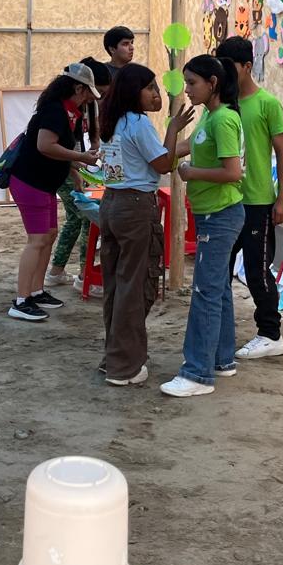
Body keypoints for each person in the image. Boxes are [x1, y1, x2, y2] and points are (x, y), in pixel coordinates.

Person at [96, 63, 193, 387]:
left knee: (116, 284)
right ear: (132, 91)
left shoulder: (112, 120)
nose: (156, 94)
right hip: (135, 207)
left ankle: (114, 357)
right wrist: (174, 128)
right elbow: (163, 163)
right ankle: (124, 366)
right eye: (150, 87)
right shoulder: (138, 123)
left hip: (112, 203)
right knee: (135, 287)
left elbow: (155, 156)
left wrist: (180, 141)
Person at [159, 55, 244, 399]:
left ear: (213, 83)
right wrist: (172, 130)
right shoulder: (209, 116)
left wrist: (192, 172)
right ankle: (222, 359)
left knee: (205, 292)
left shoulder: (223, 119)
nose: (187, 90)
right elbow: (175, 153)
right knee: (218, 288)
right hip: (212, 213)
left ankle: (197, 373)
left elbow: (233, 172)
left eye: (192, 83)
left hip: (220, 215)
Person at [7, 63, 103, 322]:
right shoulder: (55, 111)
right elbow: (45, 145)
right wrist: (80, 157)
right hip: (31, 182)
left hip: (43, 184)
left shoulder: (67, 112)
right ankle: (21, 300)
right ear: (78, 88)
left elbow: (56, 149)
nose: (89, 100)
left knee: (48, 235)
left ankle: (36, 291)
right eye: (87, 93)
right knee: (37, 240)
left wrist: (74, 171)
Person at [216, 36, 283, 361]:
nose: (223, 73)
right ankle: (220, 327)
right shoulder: (224, 104)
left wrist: (282, 198)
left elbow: (282, 152)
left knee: (257, 270)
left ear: (247, 66)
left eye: (229, 67)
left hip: (258, 202)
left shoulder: (266, 104)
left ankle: (271, 334)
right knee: (219, 266)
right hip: (227, 200)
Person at [47, 56, 112, 289]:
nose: (98, 98)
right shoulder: (62, 108)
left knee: (79, 217)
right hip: (64, 166)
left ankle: (59, 272)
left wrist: (94, 152)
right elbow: (61, 147)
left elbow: (92, 136)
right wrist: (77, 171)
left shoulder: (88, 104)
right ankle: (84, 275)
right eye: (97, 92)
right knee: (82, 216)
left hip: (76, 165)